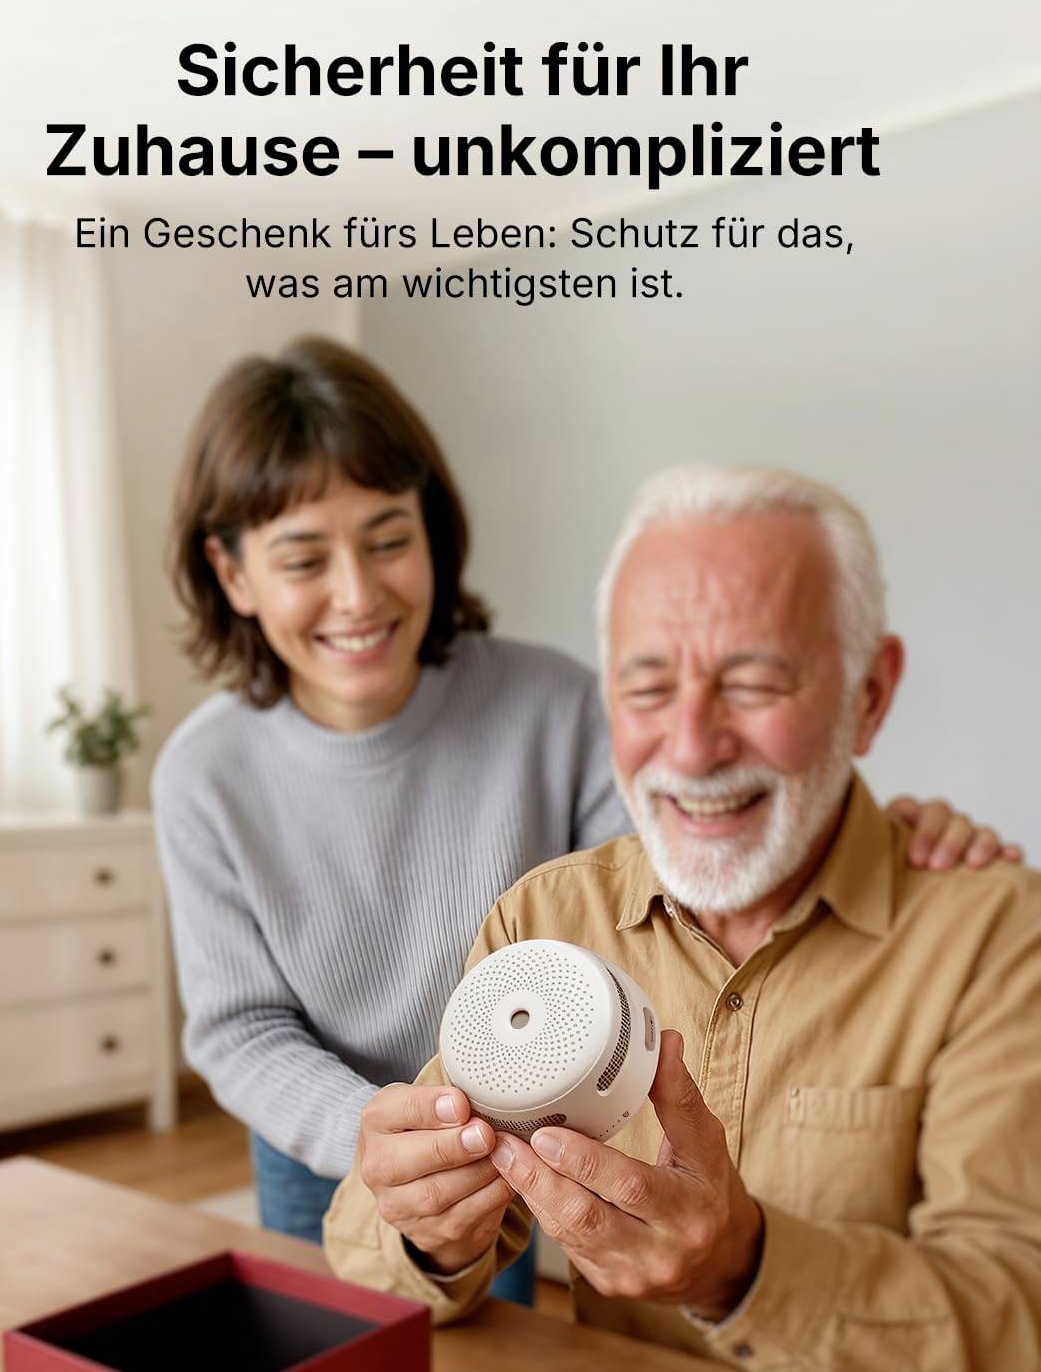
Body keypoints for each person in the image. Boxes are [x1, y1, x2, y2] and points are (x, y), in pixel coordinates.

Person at [153, 343, 1013, 1306]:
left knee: (509, 1337)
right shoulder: (203, 771)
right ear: (232, 575)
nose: (356, 593)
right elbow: (241, 1027)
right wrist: (397, 1136)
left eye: (389, 538)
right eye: (304, 558)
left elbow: (688, 875)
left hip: (523, 1100)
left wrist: (875, 835)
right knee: (347, 1344)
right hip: (344, 1126)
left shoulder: (554, 707)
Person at [323, 464, 1041, 1372]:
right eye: (647, 685)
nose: (692, 747)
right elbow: (368, 1265)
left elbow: (1016, 1331)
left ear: (868, 694)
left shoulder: (995, 938)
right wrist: (428, 1231)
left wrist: (743, 1269)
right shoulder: (546, 918)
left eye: (751, 682)